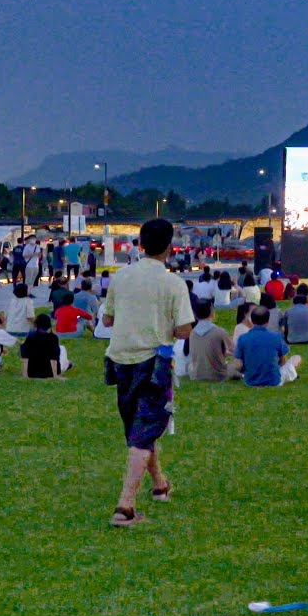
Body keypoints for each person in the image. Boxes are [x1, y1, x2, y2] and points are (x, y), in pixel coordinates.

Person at [100, 219, 196, 527]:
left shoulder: (121, 277)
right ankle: (125, 507)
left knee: (138, 428)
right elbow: (183, 330)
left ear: (140, 243)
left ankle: (159, 485)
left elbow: (109, 320)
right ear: (170, 247)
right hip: (153, 362)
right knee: (143, 432)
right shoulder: (173, 284)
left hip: (120, 360)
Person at [235, 305, 302, 387]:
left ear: (252, 320)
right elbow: (282, 362)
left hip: (250, 381)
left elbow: (239, 363)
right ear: (268, 321)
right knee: (296, 358)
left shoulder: (243, 338)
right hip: (274, 380)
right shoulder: (276, 337)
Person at [184, 302, 240, 382]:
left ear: (195, 315)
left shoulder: (192, 333)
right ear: (212, 313)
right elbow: (235, 350)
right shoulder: (219, 331)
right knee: (238, 363)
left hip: (196, 375)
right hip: (218, 375)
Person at [20, 314, 70, 378]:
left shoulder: (30, 336)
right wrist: (55, 375)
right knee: (62, 348)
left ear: (36, 324)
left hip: (32, 372)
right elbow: (54, 357)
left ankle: (68, 363)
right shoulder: (53, 338)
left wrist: (25, 374)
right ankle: (68, 364)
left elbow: (25, 355)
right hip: (49, 373)